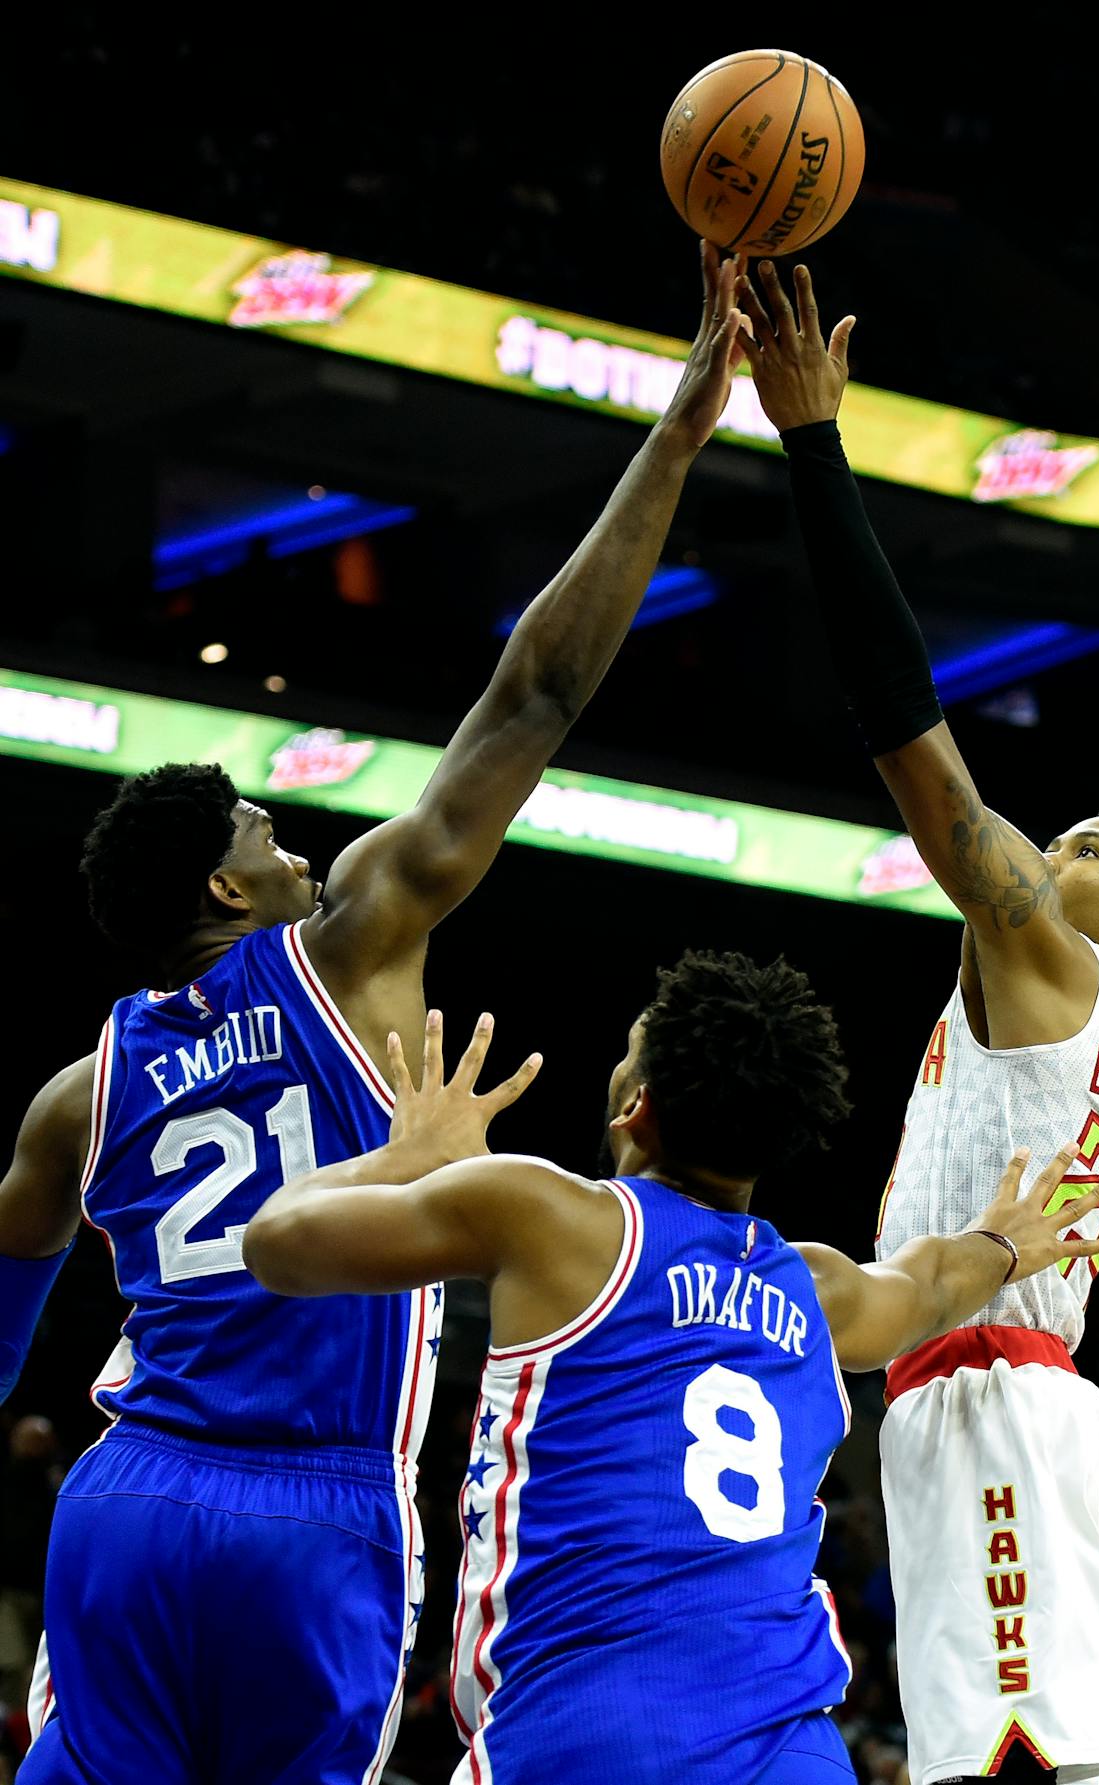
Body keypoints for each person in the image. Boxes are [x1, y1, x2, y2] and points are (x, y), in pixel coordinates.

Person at [0, 244, 750, 1785]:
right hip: (314, 1502)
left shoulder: (81, 1093)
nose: (287, 840)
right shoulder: (346, 944)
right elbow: (532, 698)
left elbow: (6, 1278)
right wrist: (677, 435)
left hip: (126, 1490)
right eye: (261, 835)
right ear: (224, 896)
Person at [242, 953, 1099, 1785]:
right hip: (794, 1744)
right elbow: (930, 1283)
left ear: (635, 1106)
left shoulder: (547, 1213)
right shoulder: (817, 1288)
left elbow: (275, 1244)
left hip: (586, 1723)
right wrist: (1005, 1245)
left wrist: (404, 1157)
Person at [736, 259, 1099, 1785]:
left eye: (1086, 851)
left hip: (993, 1387)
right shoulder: (1075, 1009)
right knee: (997, 1756)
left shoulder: (1069, 973)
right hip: (977, 1387)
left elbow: (914, 753)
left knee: (1019, 1768)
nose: (1043, 855)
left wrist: (815, 449)